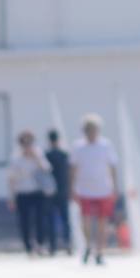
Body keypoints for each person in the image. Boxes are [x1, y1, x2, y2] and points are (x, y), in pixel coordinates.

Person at [71, 114, 118, 266]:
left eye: (93, 129)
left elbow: (112, 166)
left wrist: (114, 187)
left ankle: (100, 250)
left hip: (103, 188)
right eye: (88, 130)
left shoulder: (106, 145)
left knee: (102, 221)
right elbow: (73, 168)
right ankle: (88, 245)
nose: (91, 132)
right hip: (84, 189)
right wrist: (72, 187)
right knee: (85, 220)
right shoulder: (78, 147)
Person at [8, 131, 51, 256]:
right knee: (24, 221)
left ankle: (41, 244)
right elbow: (11, 179)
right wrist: (11, 197)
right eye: (25, 143)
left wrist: (36, 158)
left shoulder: (38, 154)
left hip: (38, 191)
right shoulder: (16, 157)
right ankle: (28, 246)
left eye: (29, 143)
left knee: (40, 219)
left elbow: (47, 169)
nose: (27, 146)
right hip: (22, 192)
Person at [43, 129, 72, 255]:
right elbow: (69, 173)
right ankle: (67, 243)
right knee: (65, 219)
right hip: (62, 190)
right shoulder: (64, 155)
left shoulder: (46, 155)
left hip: (50, 191)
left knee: (50, 219)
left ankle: (53, 245)